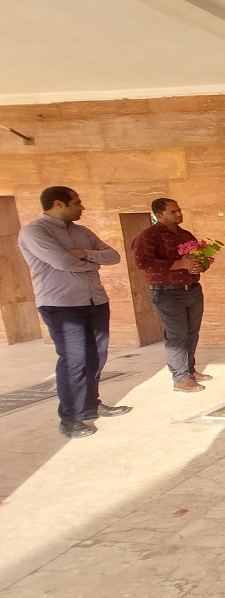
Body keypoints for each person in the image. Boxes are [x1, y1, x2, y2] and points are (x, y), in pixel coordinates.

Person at [18, 186, 129, 438]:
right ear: (59, 204)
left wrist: (84, 254)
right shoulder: (35, 231)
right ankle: (70, 418)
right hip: (61, 305)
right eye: (77, 202)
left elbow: (113, 257)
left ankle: (90, 406)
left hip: (95, 300)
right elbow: (61, 262)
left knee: (97, 355)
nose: (82, 207)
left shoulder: (82, 232)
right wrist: (93, 262)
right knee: (74, 359)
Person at [132, 197, 211, 393]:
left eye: (179, 210)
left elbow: (199, 258)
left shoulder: (185, 234)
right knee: (177, 334)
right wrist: (179, 264)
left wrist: (199, 265)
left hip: (192, 289)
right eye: (173, 212)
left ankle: (190, 370)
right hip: (167, 292)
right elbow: (143, 262)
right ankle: (180, 377)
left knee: (191, 332)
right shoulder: (149, 236)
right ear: (159, 215)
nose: (179, 214)